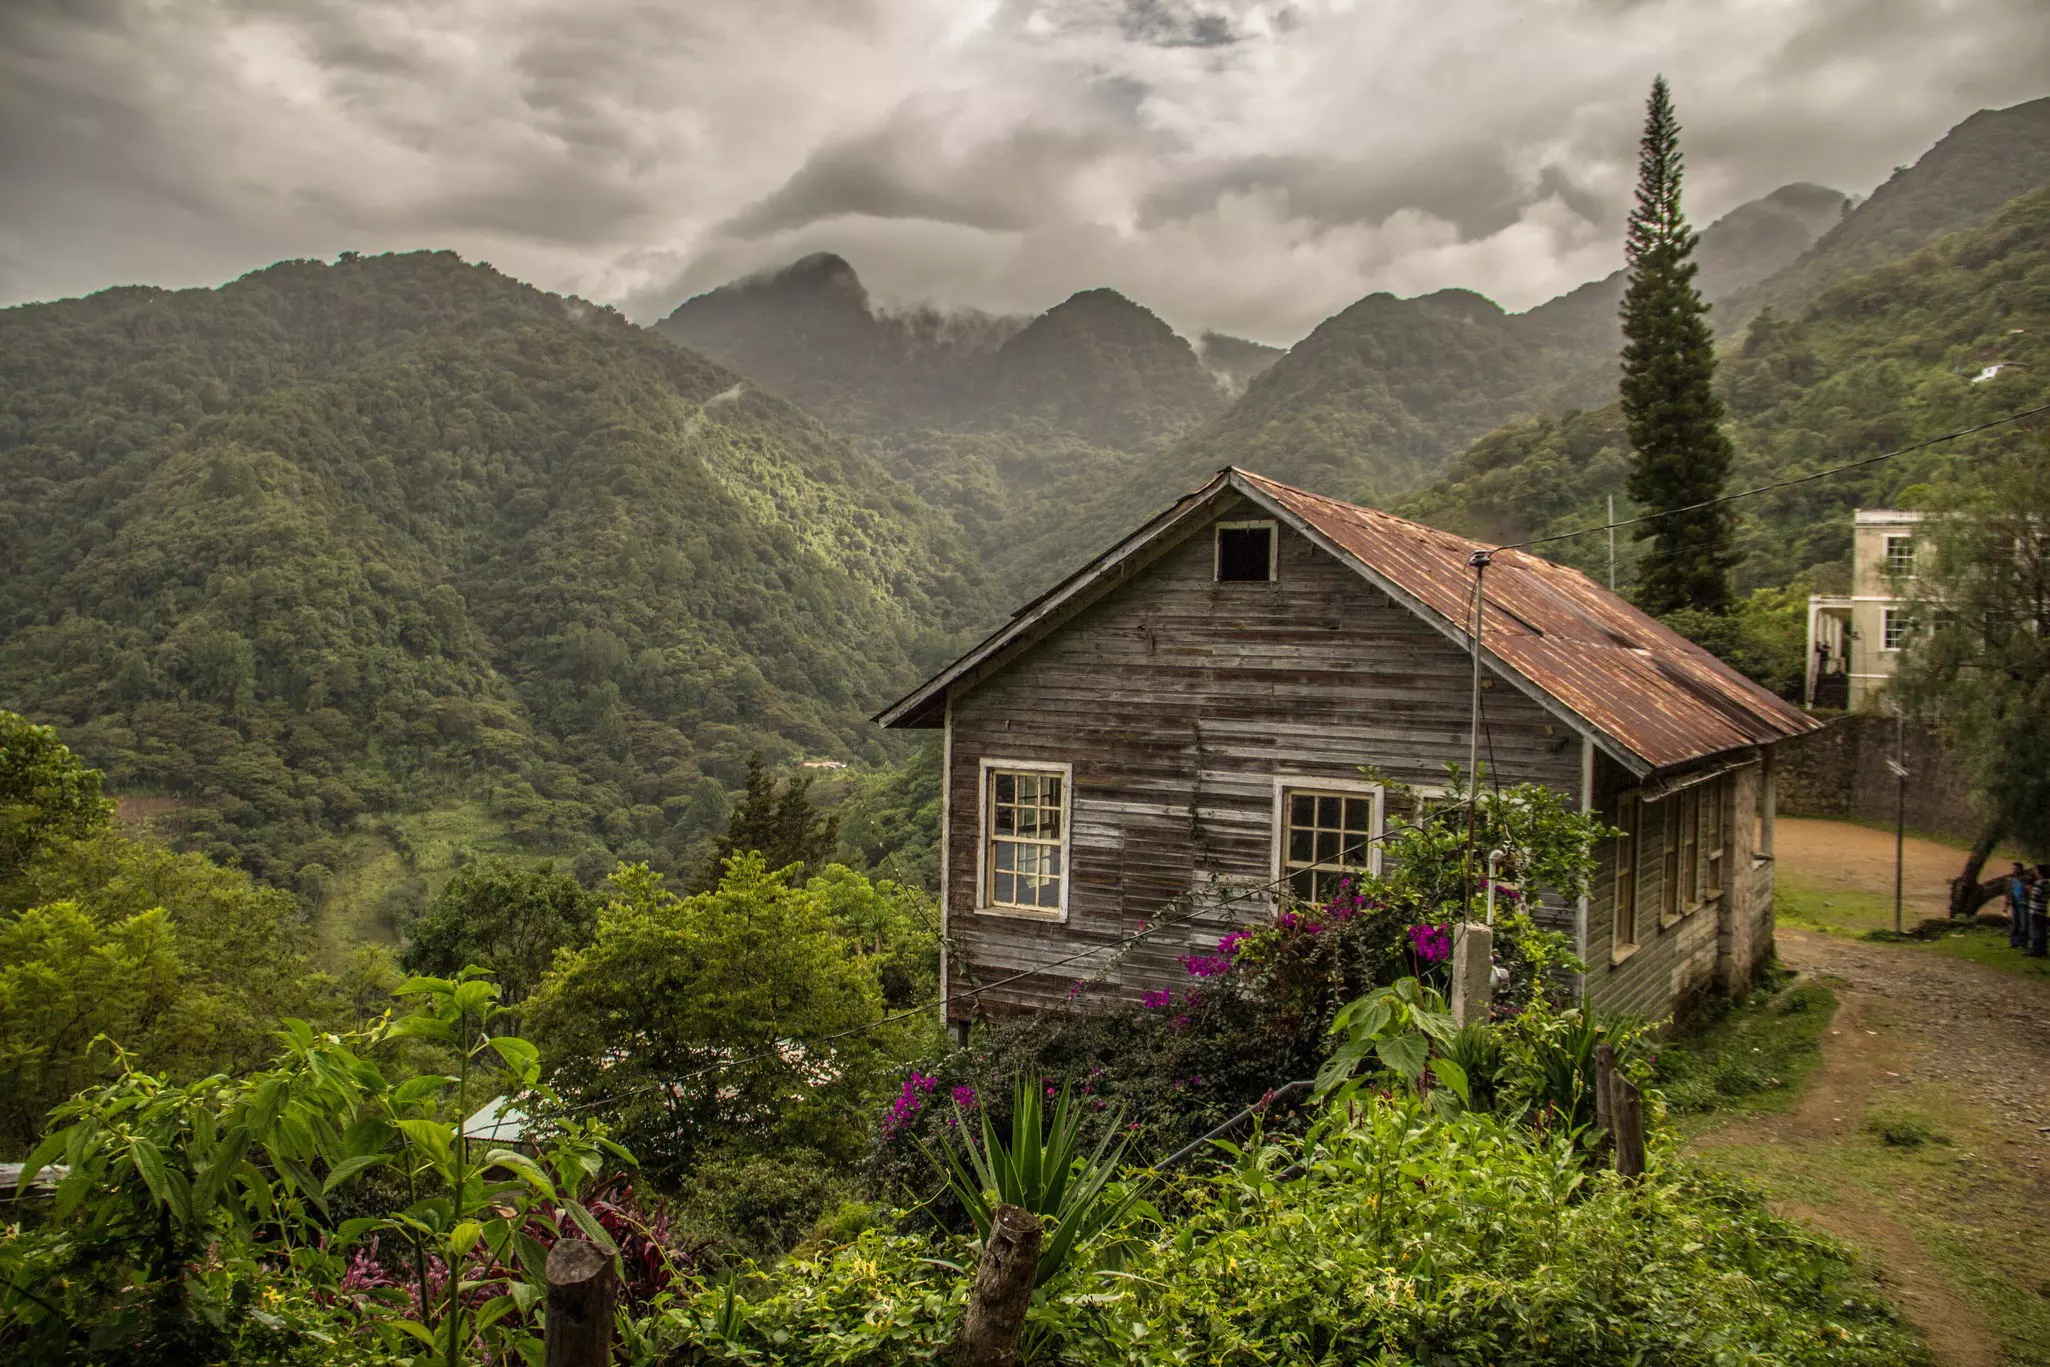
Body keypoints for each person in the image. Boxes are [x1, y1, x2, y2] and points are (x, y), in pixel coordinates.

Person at [2029, 863, 2050, 959]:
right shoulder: (2047, 883)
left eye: (2036, 870)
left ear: (2039, 871)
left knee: (2036, 930)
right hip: (2043, 909)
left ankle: (2036, 950)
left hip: (2036, 910)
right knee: (2042, 931)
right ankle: (2043, 950)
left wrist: (2030, 890)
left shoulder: (2039, 883)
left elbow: (2036, 896)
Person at [2009, 862, 2032, 949]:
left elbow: (2030, 890)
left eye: (2016, 868)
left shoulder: (2027, 879)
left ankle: (2022, 943)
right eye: (2013, 868)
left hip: (2023, 904)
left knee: (2024, 924)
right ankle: (2014, 942)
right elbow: (2010, 892)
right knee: (2015, 923)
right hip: (2015, 904)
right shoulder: (2012, 879)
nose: (2014, 870)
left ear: (2021, 869)